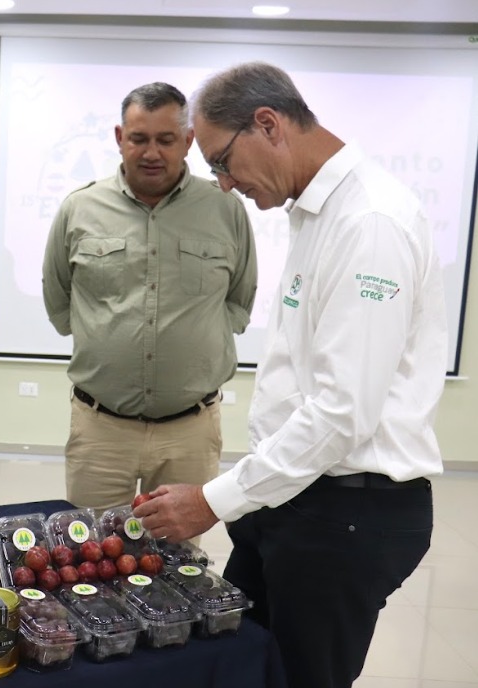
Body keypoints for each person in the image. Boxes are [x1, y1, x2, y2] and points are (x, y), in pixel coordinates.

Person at [134, 62, 447, 688]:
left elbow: (341, 414)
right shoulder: (317, 214)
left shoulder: (369, 223)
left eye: (222, 162)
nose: (225, 185)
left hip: (346, 514)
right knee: (241, 663)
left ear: (268, 125)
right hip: (295, 498)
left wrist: (213, 500)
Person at [41, 82, 257, 511]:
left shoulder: (225, 209)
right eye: (139, 139)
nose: (151, 153)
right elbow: (59, 300)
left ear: (188, 141)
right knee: (90, 544)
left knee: (178, 551)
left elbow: (239, 300)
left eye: (166, 140)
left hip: (190, 431)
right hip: (100, 430)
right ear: (120, 138)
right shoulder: (80, 208)